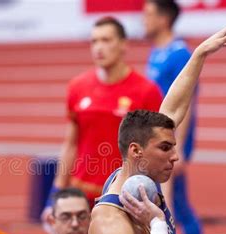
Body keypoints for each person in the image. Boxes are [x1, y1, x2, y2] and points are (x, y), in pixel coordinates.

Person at [89, 25, 226, 234]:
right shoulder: (111, 220)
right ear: (136, 151)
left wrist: (198, 56)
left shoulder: (141, 176)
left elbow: (172, 111)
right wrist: (157, 224)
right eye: (165, 149)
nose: (174, 157)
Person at [43, 16, 163, 214]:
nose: (99, 47)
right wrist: (54, 194)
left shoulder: (146, 91)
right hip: (81, 196)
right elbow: (71, 143)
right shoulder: (77, 87)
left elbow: (155, 150)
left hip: (125, 198)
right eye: (94, 41)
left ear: (123, 45)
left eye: (106, 40)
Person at [143, 0, 218, 234]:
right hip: (158, 140)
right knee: (179, 204)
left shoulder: (179, 54)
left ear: (164, 19)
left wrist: (178, 148)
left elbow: (185, 102)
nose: (143, 20)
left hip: (169, 143)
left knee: (170, 204)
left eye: (148, 14)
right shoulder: (158, 52)